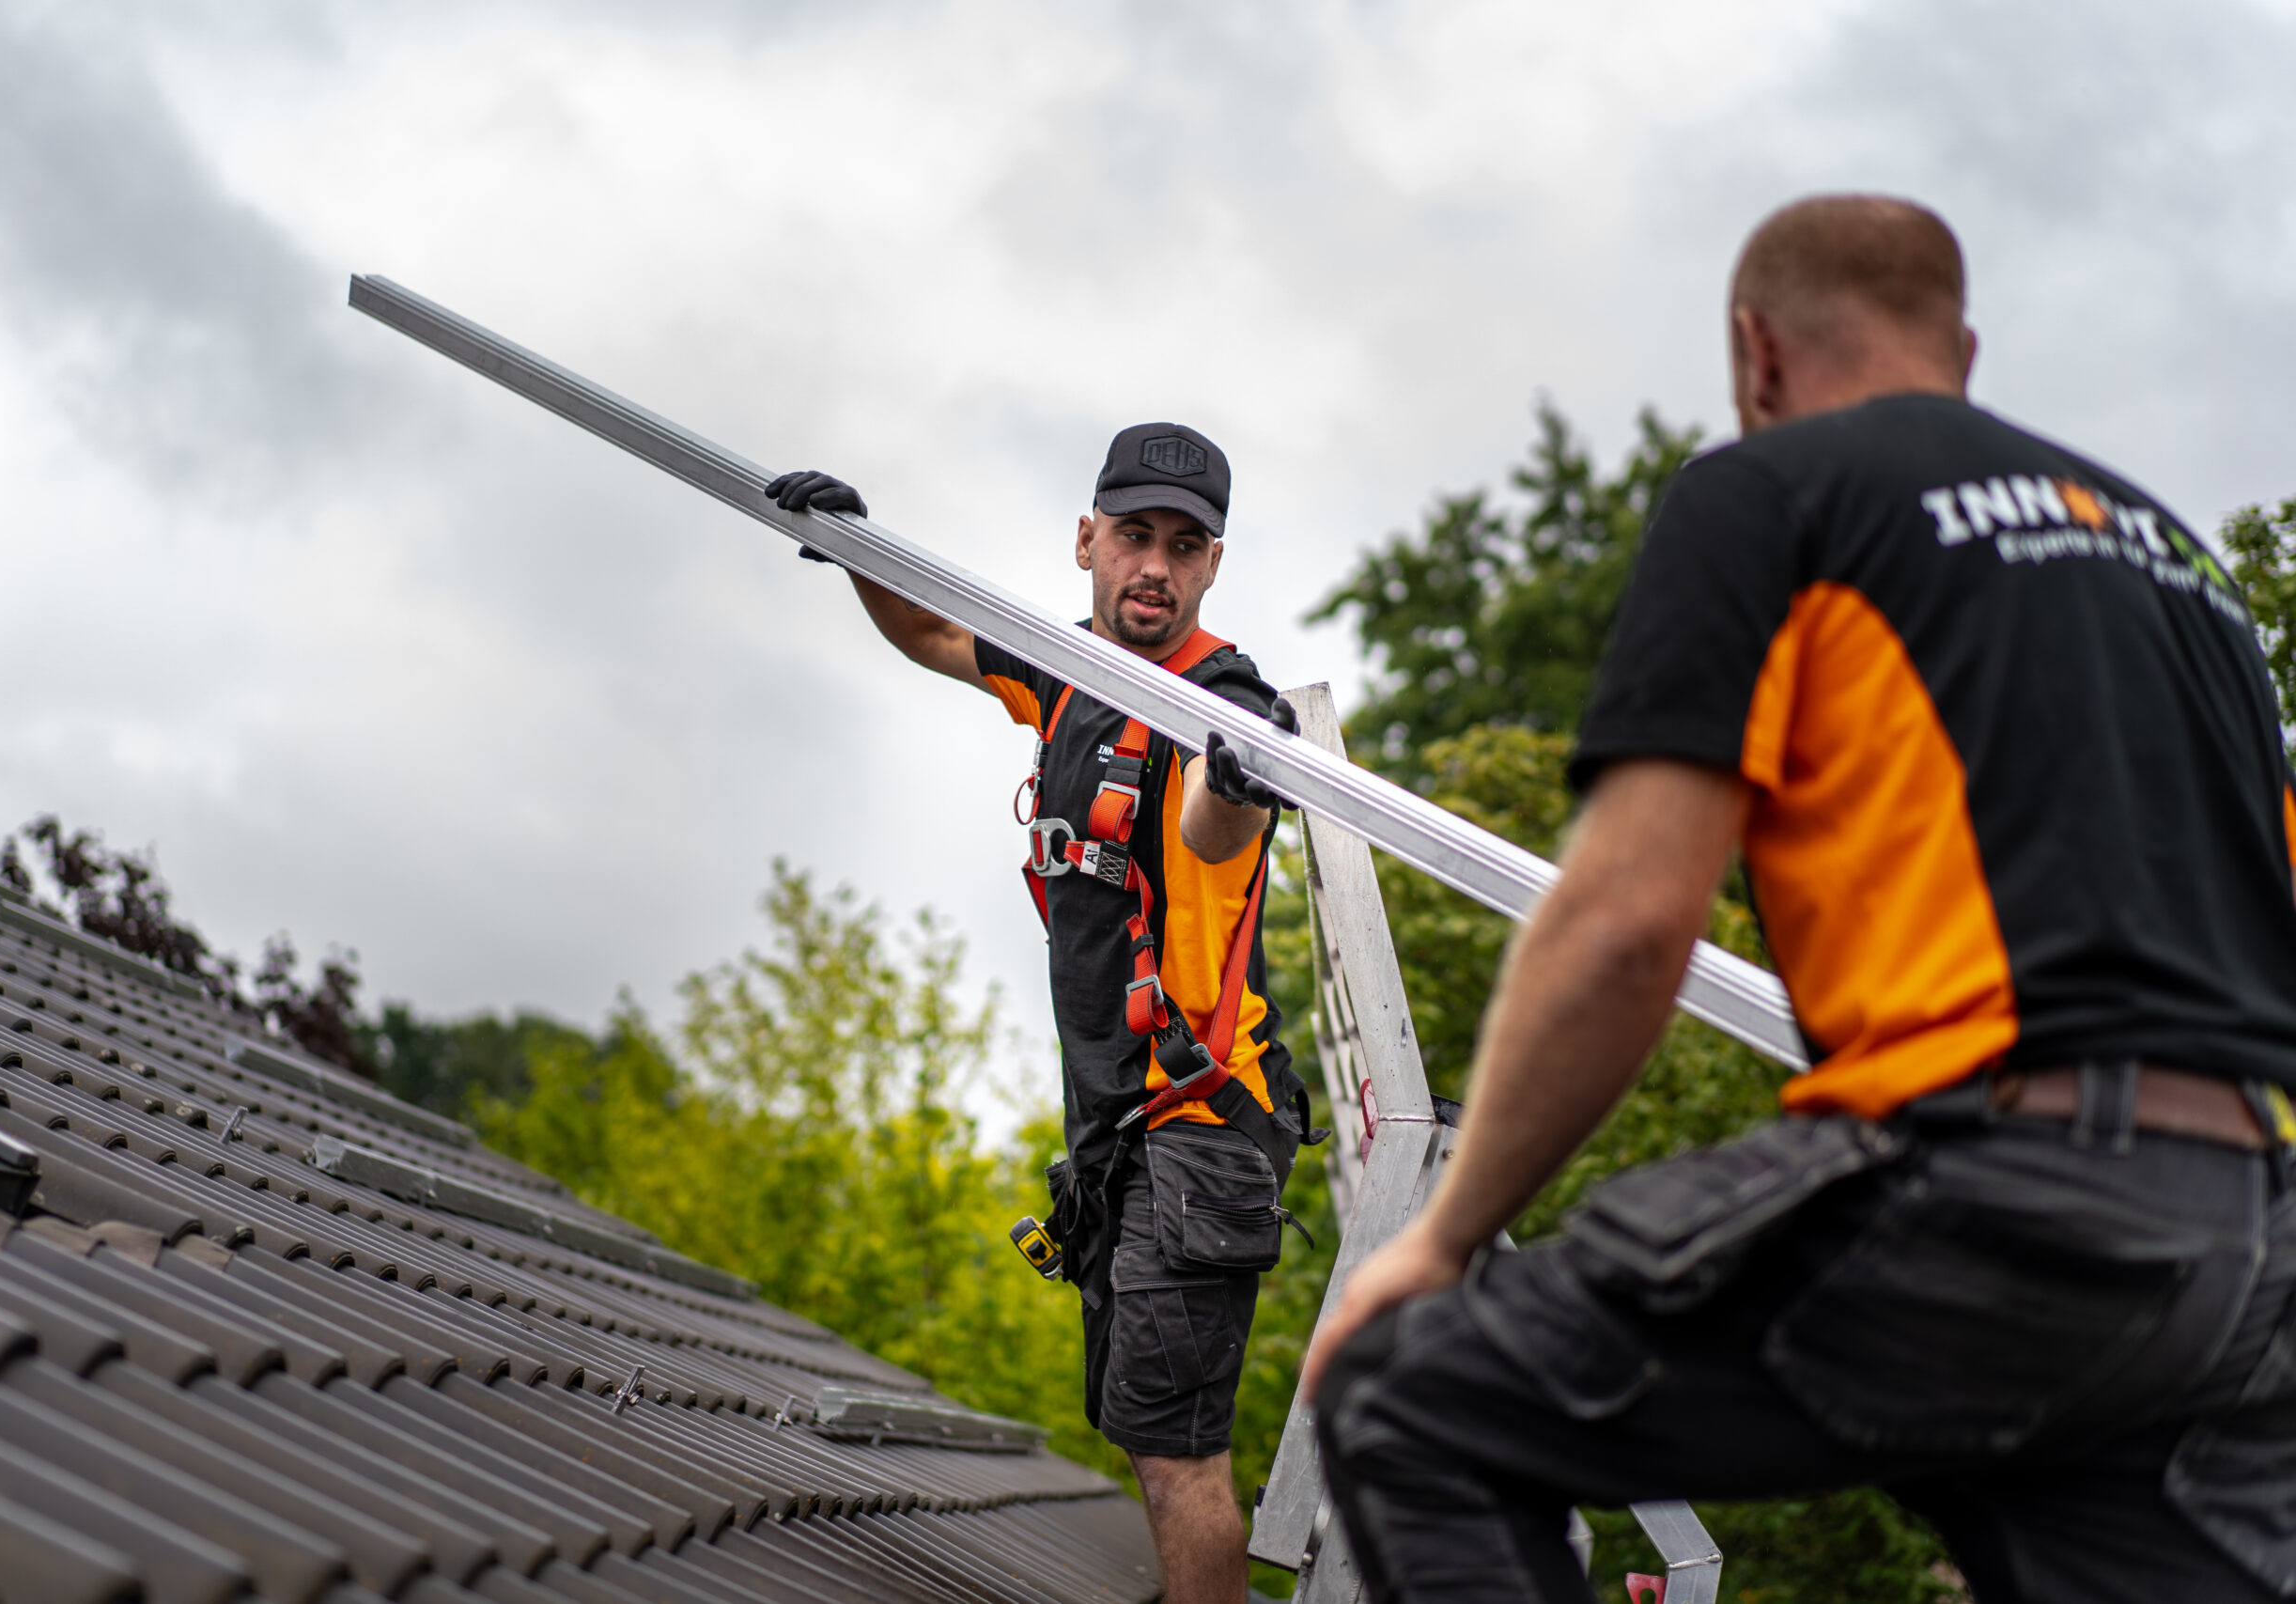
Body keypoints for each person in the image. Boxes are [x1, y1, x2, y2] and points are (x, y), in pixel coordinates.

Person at [1302, 194, 2296, 1603]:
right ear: (1965, 345)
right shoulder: (2185, 569)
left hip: (2003, 1195)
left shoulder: (1776, 491)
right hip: (2248, 1246)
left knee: (1415, 1394)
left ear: (1756, 353)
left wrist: (1443, 1236)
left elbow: (1626, 922)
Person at [766, 425, 1317, 1604]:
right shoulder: (1069, 674)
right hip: (1122, 1130)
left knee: (1177, 1458)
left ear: (1213, 566)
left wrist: (1232, 773)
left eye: (1183, 545)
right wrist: (853, 547)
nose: (1153, 568)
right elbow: (933, 632)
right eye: (1133, 537)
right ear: (1088, 541)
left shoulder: (1225, 704)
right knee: (1137, 1428)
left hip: (1200, 1122)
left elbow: (1211, 835)